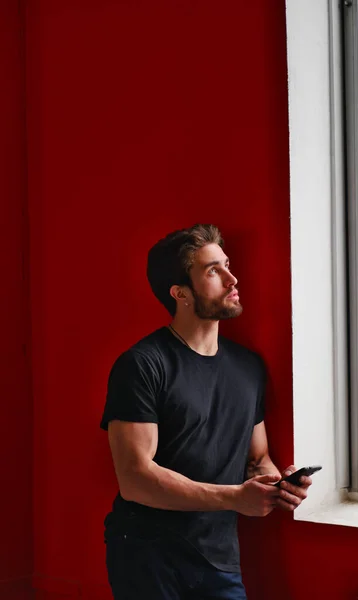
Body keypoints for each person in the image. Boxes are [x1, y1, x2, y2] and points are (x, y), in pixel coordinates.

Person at [100, 224, 312, 600]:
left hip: (218, 555)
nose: (232, 278)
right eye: (213, 270)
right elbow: (134, 478)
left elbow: (257, 458)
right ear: (180, 293)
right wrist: (234, 498)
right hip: (147, 554)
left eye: (227, 264)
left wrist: (276, 486)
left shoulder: (247, 367)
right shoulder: (142, 365)